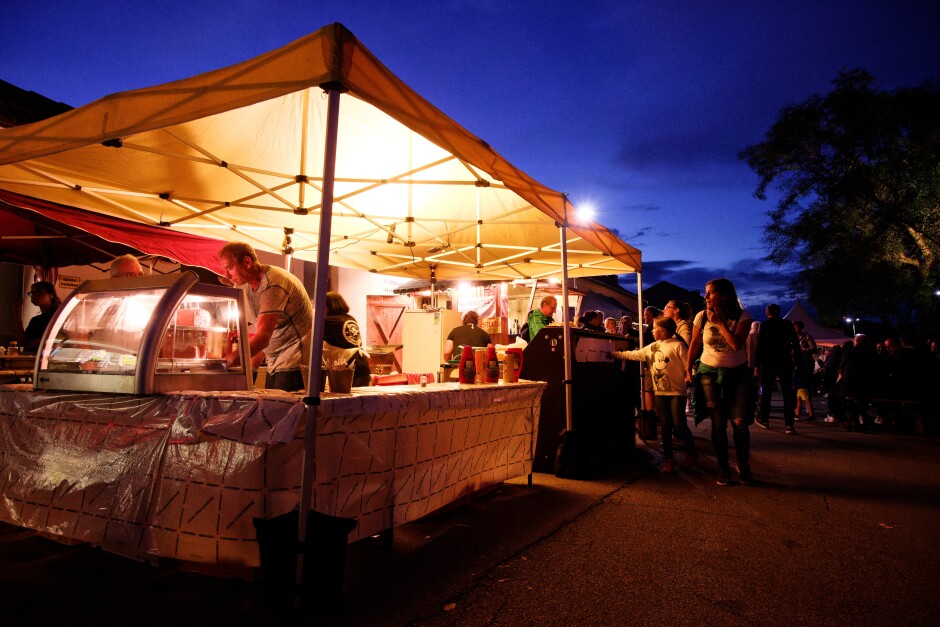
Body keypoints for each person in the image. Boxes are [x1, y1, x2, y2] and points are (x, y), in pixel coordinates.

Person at [217, 242, 312, 392]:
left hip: (296, 364)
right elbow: (267, 333)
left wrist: (228, 361)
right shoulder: (251, 287)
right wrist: (252, 367)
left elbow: (263, 337)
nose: (227, 275)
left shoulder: (273, 284)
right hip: (276, 364)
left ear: (247, 262)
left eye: (229, 268)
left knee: (284, 414)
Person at [686, 278, 754, 486]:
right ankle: (723, 468)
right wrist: (688, 369)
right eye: (705, 292)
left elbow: (736, 345)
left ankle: (743, 465)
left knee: (740, 423)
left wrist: (720, 324)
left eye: (711, 292)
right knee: (718, 423)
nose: (705, 296)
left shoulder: (743, 315)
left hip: (737, 373)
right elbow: (695, 343)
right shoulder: (701, 317)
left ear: (724, 295)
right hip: (709, 372)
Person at [611, 315, 697, 472]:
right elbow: (634, 354)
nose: (652, 331)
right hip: (660, 392)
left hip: (677, 391)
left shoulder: (678, 346)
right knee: (665, 424)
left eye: (654, 328)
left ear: (663, 331)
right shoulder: (652, 347)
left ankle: (692, 454)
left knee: (679, 423)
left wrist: (690, 374)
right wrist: (615, 354)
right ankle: (668, 459)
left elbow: (688, 364)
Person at [755, 304, 800, 433]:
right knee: (787, 393)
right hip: (785, 361)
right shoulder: (787, 324)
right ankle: (789, 424)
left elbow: (760, 346)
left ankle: (764, 419)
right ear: (779, 312)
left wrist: (757, 364)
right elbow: (795, 343)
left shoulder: (764, 325)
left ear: (767, 312)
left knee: (767, 392)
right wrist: (797, 360)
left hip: (769, 362)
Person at [323, 291, 372, 387]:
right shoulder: (350, 318)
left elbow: (312, 339)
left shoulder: (329, 321)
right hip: (362, 364)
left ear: (328, 306)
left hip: (348, 368)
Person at [23, 281, 61, 352]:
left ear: (51, 295)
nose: (34, 295)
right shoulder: (35, 320)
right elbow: (24, 342)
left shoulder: (58, 315)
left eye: (38, 292)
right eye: (32, 293)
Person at [793, 320, 818, 420]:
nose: (794, 329)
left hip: (805, 365)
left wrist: (801, 350)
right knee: (798, 390)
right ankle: (798, 412)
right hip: (797, 364)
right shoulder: (793, 337)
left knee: (803, 387)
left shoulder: (807, 336)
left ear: (800, 328)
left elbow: (813, 349)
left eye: (796, 327)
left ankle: (810, 413)